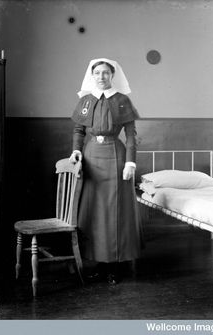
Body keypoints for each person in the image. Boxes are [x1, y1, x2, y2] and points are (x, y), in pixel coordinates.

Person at [69, 58, 141, 285]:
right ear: (92, 76)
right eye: (97, 73)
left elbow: (130, 136)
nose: (101, 77)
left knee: (114, 211)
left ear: (113, 76)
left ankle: (115, 265)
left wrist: (130, 163)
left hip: (116, 158)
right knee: (94, 212)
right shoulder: (86, 101)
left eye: (106, 73)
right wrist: (76, 151)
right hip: (91, 158)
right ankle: (99, 263)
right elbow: (79, 130)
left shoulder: (122, 100)